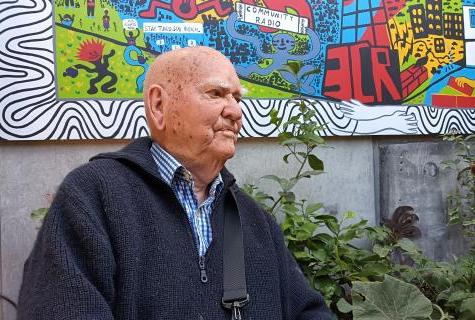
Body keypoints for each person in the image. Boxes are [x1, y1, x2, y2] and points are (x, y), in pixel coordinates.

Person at [17, 46, 331, 319]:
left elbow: (308, 312)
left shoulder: (255, 220)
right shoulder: (93, 196)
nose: (235, 111)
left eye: (237, 98)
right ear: (158, 105)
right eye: (216, 94)